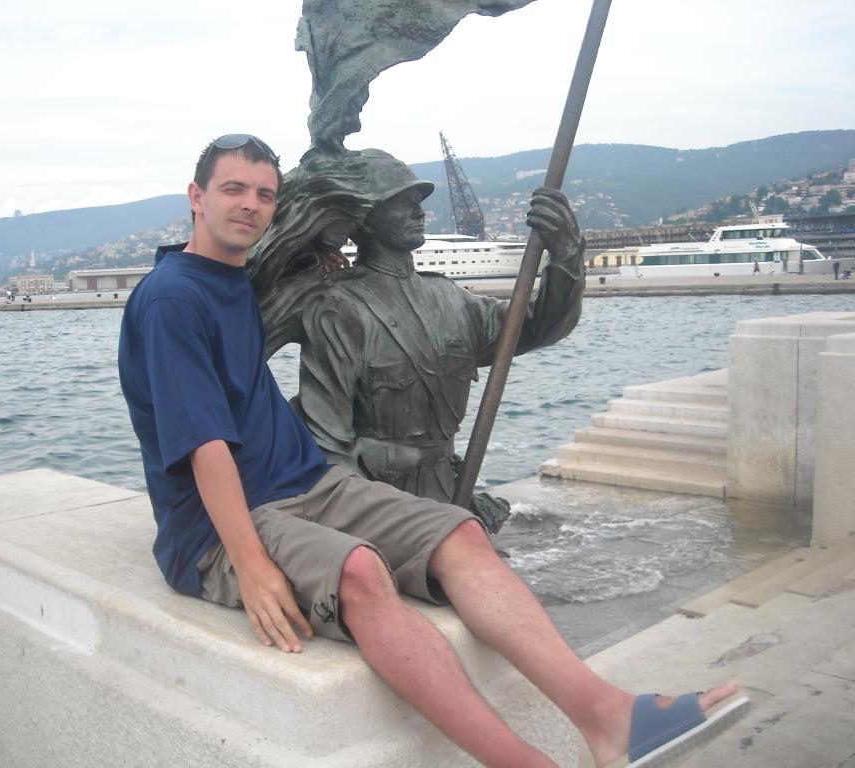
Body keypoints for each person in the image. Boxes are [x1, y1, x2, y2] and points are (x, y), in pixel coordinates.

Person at [118, 134, 748, 768]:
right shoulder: (173, 299)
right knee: (361, 572)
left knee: (461, 533)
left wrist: (563, 257)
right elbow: (204, 446)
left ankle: (610, 718)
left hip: (306, 482)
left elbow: (524, 327)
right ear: (196, 196)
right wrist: (251, 566)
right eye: (233, 190)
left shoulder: (232, 281)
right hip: (218, 524)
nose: (249, 205)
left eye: (264, 194)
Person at [268, 150, 583, 531]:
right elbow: (328, 445)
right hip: (377, 503)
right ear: (366, 217)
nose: (419, 212)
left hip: (450, 493)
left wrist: (566, 253)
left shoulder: (453, 299)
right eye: (404, 202)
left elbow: (538, 326)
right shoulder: (337, 308)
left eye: (419, 202)